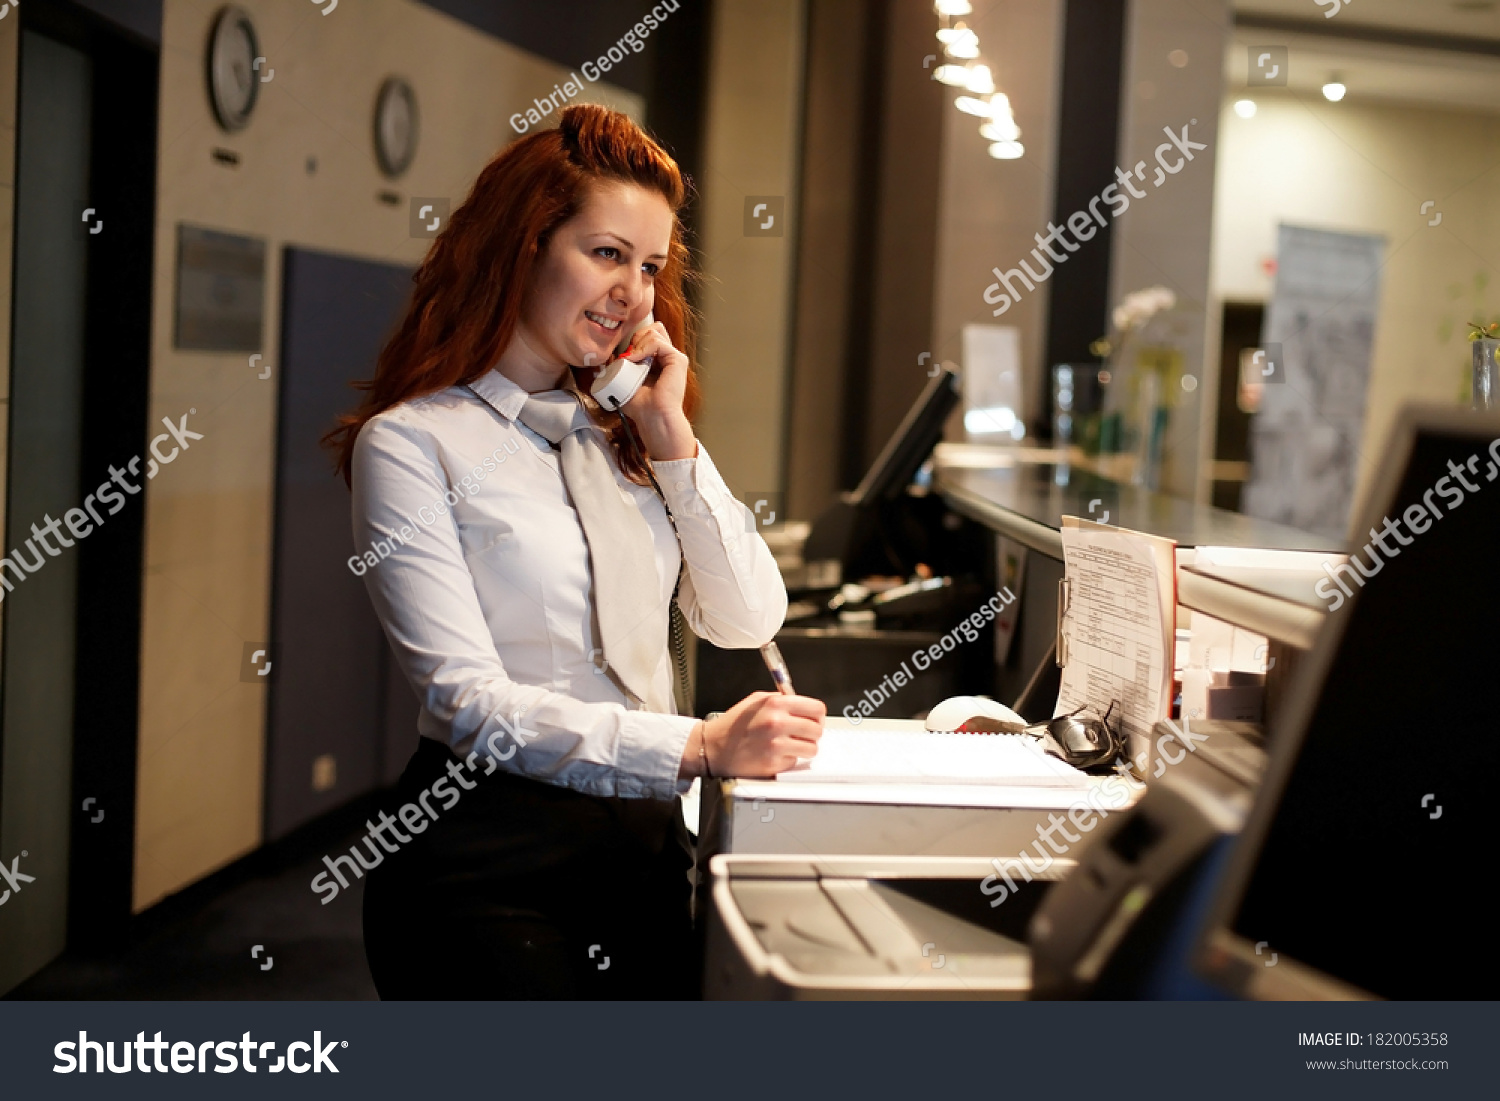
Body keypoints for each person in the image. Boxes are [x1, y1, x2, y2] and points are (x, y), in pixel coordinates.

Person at [323, 104, 825, 999]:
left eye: (650, 266)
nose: (633, 291)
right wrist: (700, 743)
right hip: (485, 862)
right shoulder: (411, 444)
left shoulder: (621, 434)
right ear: (523, 247)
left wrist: (670, 436)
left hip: (640, 851)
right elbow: (467, 702)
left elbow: (747, 615)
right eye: (605, 253)